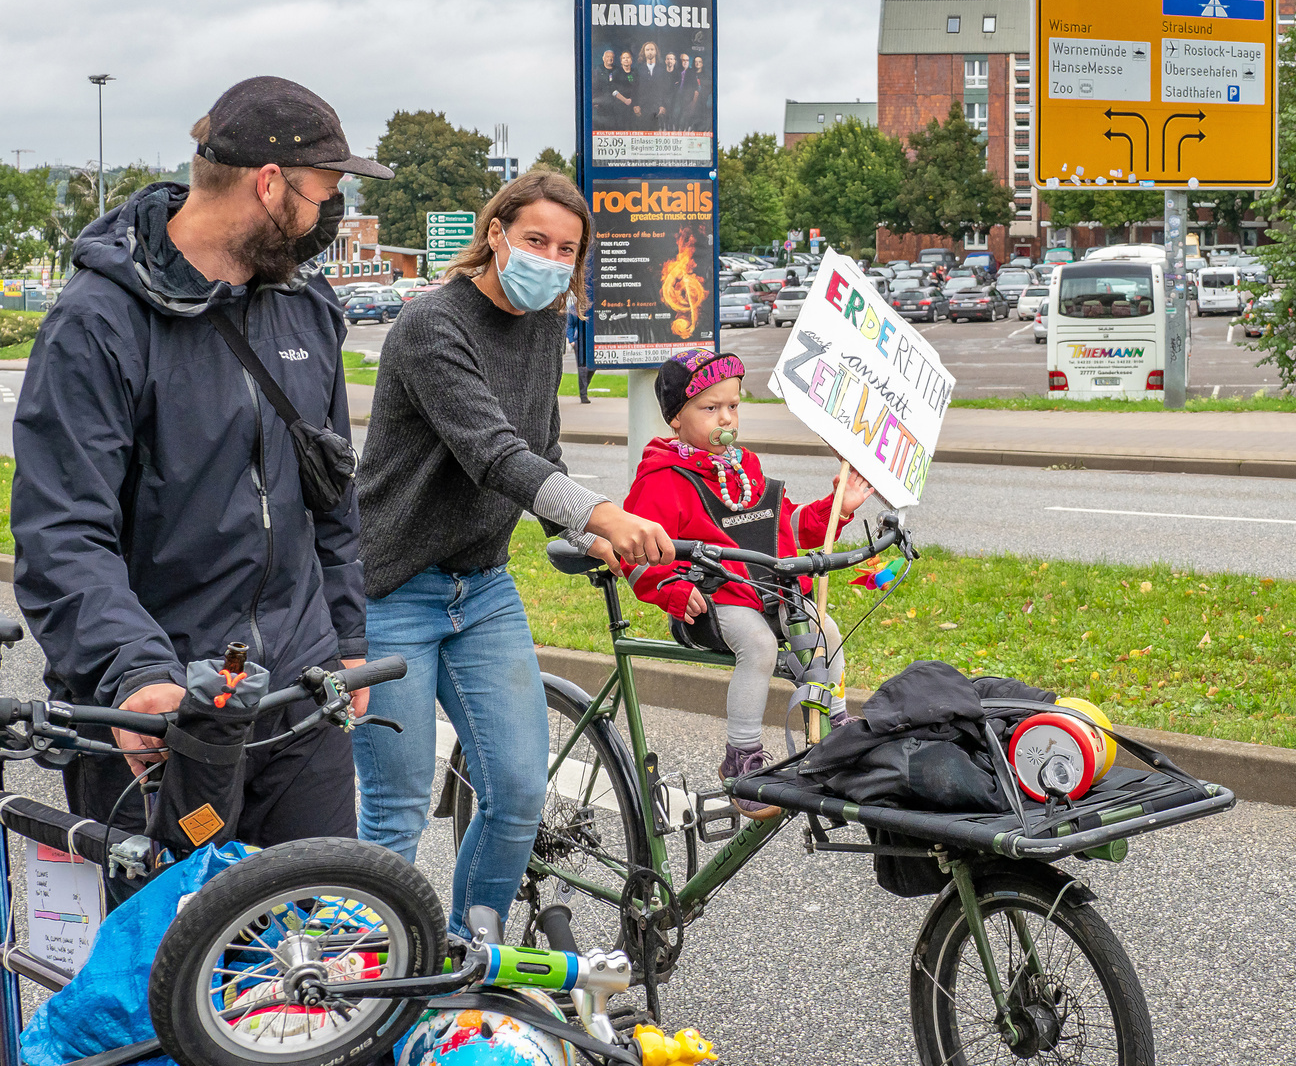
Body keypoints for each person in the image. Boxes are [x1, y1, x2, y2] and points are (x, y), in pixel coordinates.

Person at [11, 76, 388, 855]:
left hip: (300, 691)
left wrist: (347, 641)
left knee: (321, 943)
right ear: (270, 184)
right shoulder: (97, 322)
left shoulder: (307, 312)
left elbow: (331, 496)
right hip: (163, 707)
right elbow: (62, 531)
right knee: (168, 957)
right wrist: (135, 672)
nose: (329, 217)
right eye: (324, 193)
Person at [352, 170, 672, 939]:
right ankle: (364, 983)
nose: (550, 259)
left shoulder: (544, 326)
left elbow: (540, 453)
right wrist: (598, 508)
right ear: (496, 234)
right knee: (395, 810)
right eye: (535, 240)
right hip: (391, 589)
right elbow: (493, 454)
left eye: (567, 249)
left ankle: (473, 957)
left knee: (522, 789)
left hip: (482, 589)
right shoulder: (433, 325)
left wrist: (583, 532)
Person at [621, 350, 874, 819]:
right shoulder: (662, 478)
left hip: (762, 591)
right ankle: (741, 762)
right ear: (676, 416)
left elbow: (784, 530)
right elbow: (633, 553)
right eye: (710, 407)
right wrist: (673, 589)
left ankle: (836, 728)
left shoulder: (746, 467)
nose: (726, 417)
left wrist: (836, 507)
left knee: (826, 630)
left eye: (733, 406)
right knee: (758, 646)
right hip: (708, 601)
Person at [634, 41, 667, 130]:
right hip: (642, 108)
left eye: (652, 49)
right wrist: (636, 105)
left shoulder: (662, 69)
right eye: (647, 50)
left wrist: (663, 105)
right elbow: (635, 88)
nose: (650, 52)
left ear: (656, 52)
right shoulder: (639, 69)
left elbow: (665, 89)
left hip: (657, 108)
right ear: (644, 52)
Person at [591, 48, 617, 129]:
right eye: (608, 56)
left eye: (612, 57)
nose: (610, 59)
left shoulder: (618, 70)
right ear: (603, 58)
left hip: (615, 106)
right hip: (601, 106)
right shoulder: (597, 70)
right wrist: (595, 100)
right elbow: (594, 87)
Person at [612, 50, 636, 129]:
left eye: (628, 58)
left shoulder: (635, 72)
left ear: (631, 60)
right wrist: (625, 100)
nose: (626, 59)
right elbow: (613, 90)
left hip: (633, 106)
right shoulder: (616, 73)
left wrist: (633, 101)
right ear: (621, 61)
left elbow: (638, 88)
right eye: (624, 58)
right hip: (620, 105)